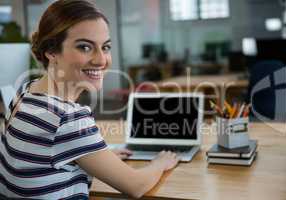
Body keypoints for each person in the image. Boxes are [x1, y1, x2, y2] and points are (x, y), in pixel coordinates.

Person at [0, 0, 179, 199]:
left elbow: (41, 158)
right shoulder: (68, 118)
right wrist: (159, 163)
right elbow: (136, 186)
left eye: (106, 47)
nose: (101, 60)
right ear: (51, 51)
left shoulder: (26, 92)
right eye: (85, 47)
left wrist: (96, 158)